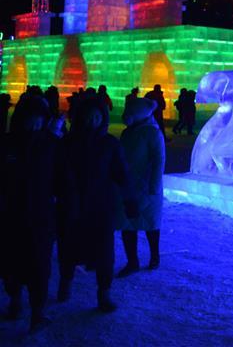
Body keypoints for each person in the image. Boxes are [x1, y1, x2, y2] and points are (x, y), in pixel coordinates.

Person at [56, 95, 135, 313]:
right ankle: (66, 281)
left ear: (103, 118)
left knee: (104, 252)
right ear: (80, 118)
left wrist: (130, 199)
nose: (92, 121)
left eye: (97, 117)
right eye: (88, 117)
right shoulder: (67, 143)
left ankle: (104, 293)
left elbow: (122, 174)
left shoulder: (109, 143)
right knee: (68, 248)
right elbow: (56, 173)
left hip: (100, 206)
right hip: (71, 205)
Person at [0, 95, 59, 333]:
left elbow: (63, 180)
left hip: (40, 217)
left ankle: (37, 312)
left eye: (39, 119)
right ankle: (15, 299)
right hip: (10, 215)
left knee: (39, 267)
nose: (34, 124)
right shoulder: (6, 144)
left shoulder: (52, 145)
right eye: (30, 118)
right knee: (10, 263)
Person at [115, 98, 165, 275]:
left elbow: (159, 160)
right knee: (127, 224)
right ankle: (132, 261)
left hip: (147, 186)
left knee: (150, 224)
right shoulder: (128, 132)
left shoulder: (152, 133)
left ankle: (154, 257)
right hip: (129, 185)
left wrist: (154, 186)